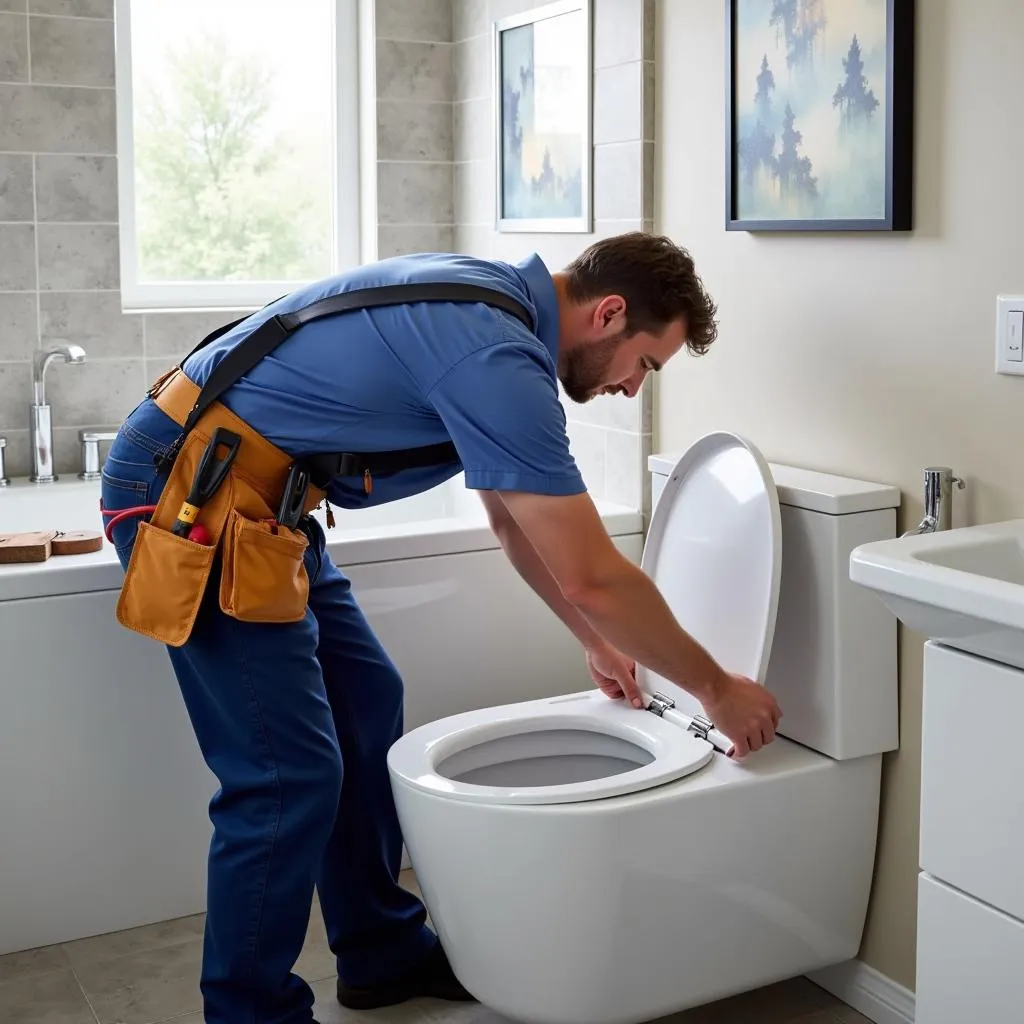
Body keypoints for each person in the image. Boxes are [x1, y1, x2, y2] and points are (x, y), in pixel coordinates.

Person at [100, 232, 781, 1024]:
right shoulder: (494, 356)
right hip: (194, 490)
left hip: (265, 496)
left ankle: (380, 952)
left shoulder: (497, 310)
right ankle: (249, 1013)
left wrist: (594, 638)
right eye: (646, 366)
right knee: (284, 777)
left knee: (367, 699)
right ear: (610, 313)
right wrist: (716, 689)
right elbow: (594, 573)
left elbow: (509, 519)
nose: (634, 390)